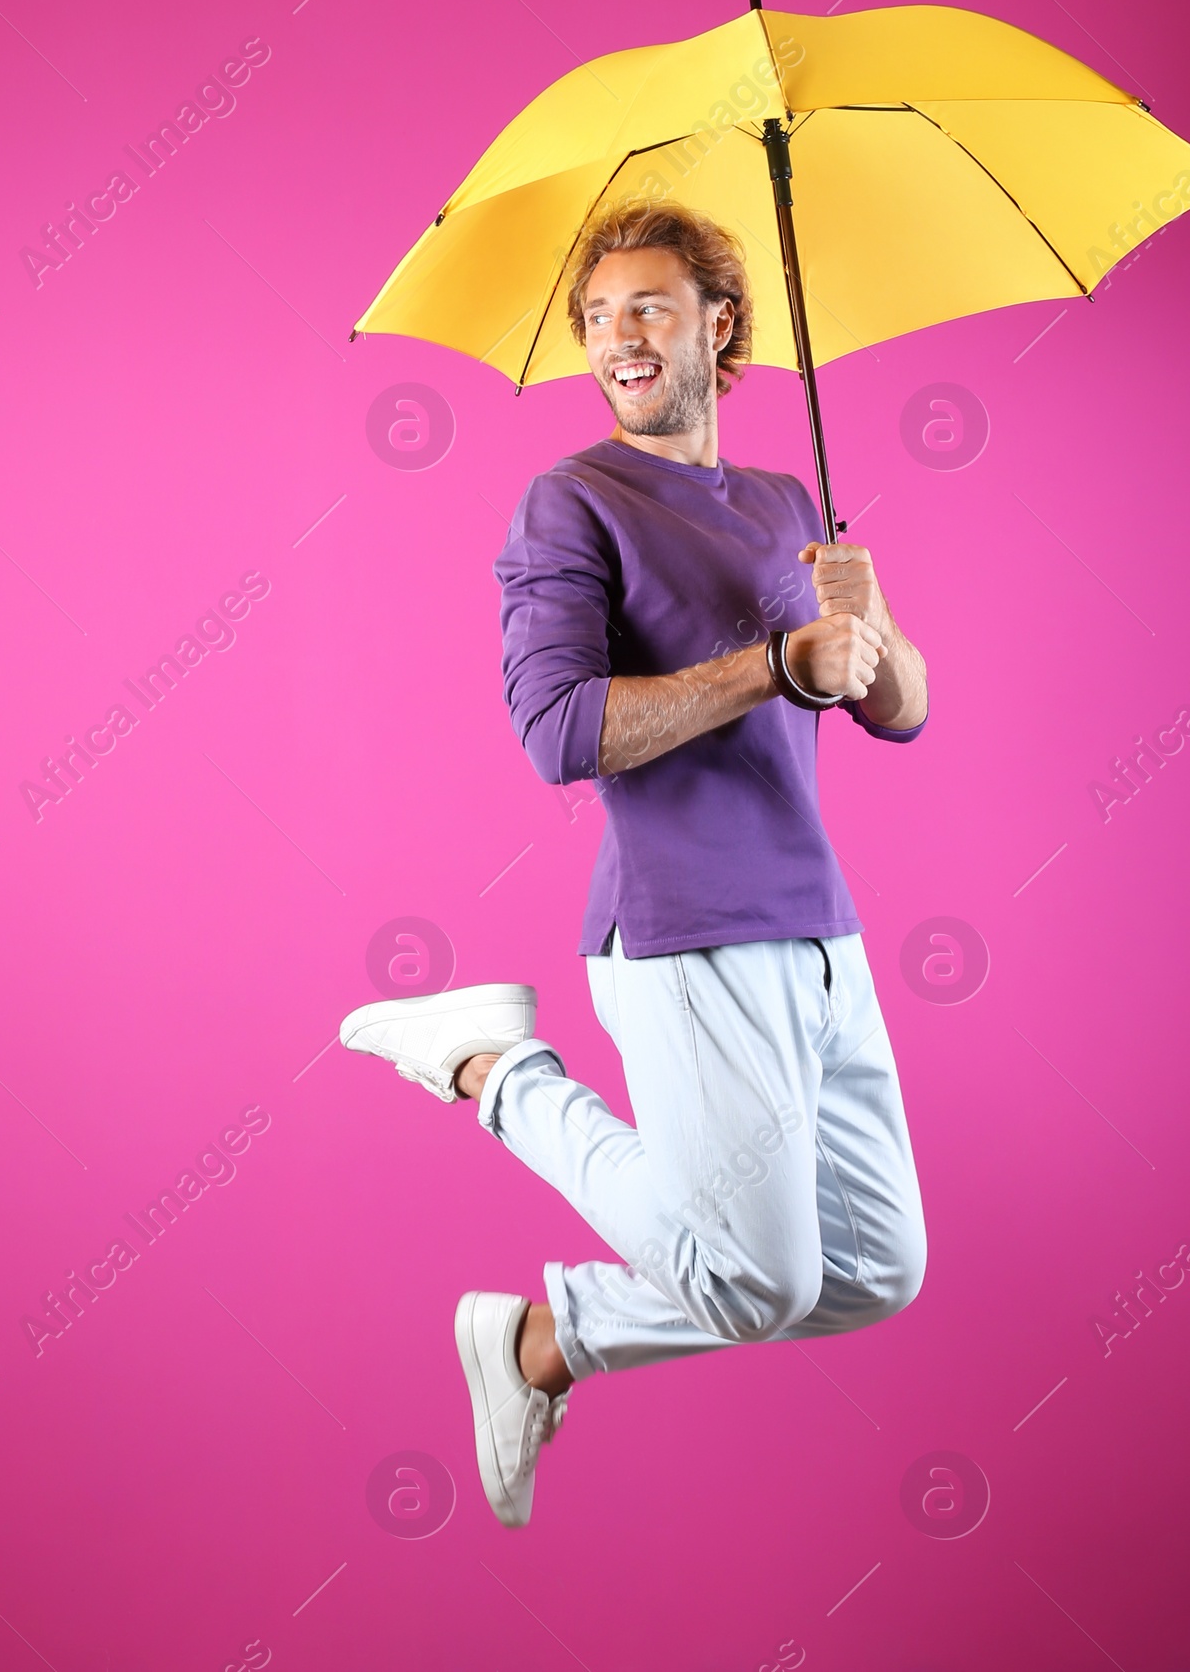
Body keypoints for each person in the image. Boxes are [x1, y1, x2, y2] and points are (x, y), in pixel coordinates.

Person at [339, 199, 930, 1526]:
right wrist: (775, 663)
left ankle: (539, 1346)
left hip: (818, 929)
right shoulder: (572, 502)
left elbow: (904, 712)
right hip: (684, 930)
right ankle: (494, 1069)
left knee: (878, 1269)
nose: (617, 339)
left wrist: (867, 624)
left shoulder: (787, 501)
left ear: (721, 326)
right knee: (762, 1283)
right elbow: (560, 732)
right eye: (597, 319)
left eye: (647, 309)